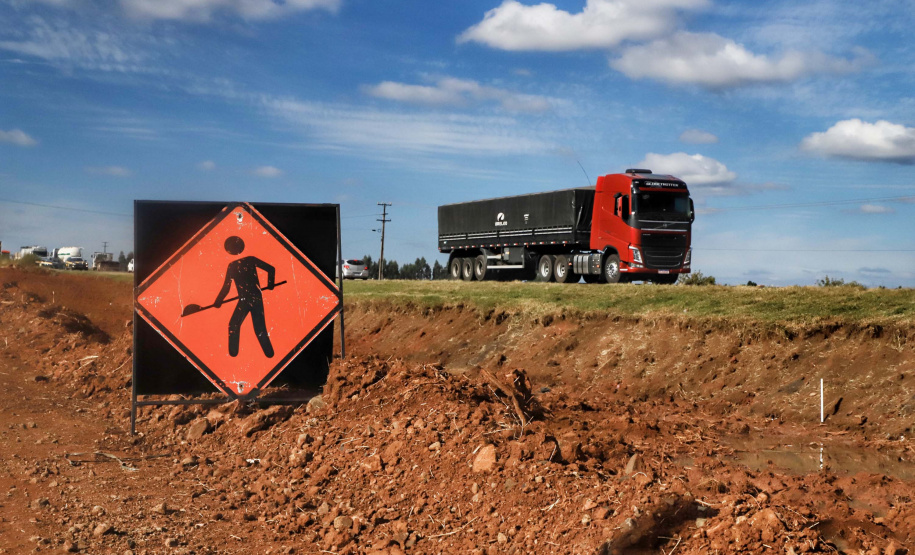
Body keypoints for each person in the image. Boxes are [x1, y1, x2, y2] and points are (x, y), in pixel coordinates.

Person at [213, 236, 275, 358]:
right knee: (237, 325)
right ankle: (234, 353)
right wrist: (218, 301)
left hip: (253, 298)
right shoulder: (234, 265)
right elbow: (227, 286)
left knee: (256, 328)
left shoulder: (245, 261)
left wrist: (270, 284)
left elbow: (271, 269)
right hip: (247, 299)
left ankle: (269, 354)